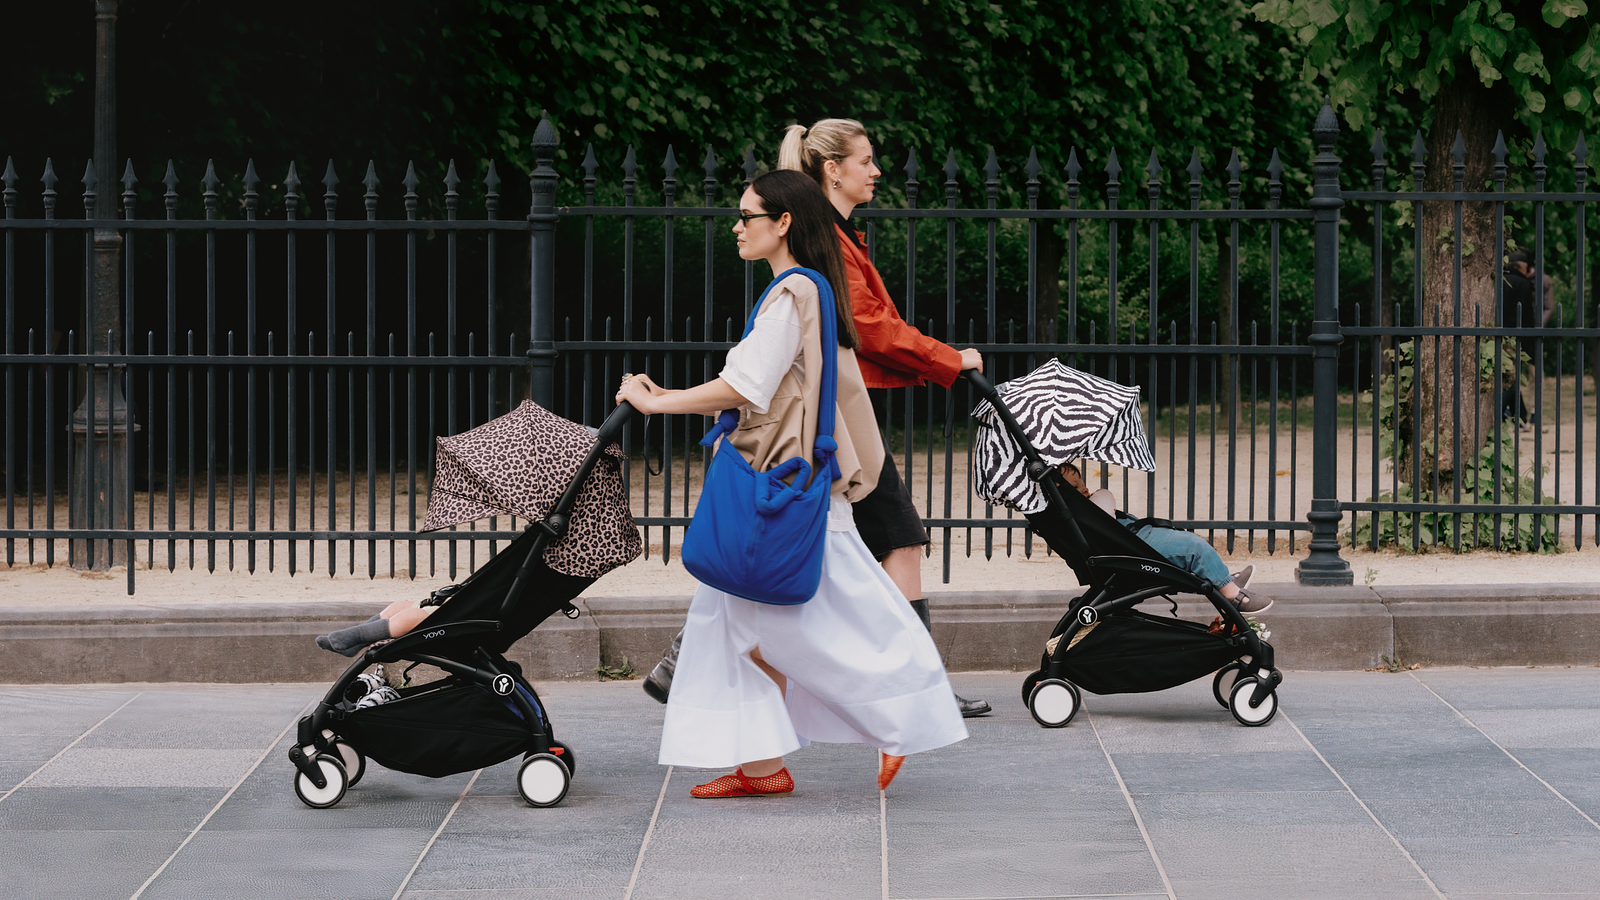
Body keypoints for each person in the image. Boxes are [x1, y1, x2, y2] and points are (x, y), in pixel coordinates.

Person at [617, 169, 967, 797]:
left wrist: (658, 402)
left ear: (782, 223)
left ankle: (898, 720)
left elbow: (743, 386)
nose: (737, 227)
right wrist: (666, 394)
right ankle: (763, 767)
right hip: (791, 483)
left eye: (747, 216)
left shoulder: (791, 295)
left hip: (779, 488)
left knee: (806, 622)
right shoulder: (808, 289)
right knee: (741, 628)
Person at [1060, 463, 1272, 613]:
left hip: (1137, 539)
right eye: (1076, 487)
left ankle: (1222, 579)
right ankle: (1232, 594)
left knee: (1184, 541)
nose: (1085, 488)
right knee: (1193, 549)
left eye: (1082, 483)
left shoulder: (1082, 511)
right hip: (1134, 549)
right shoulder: (1079, 513)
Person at [1500, 251, 1539, 428]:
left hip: (1496, 333)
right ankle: (1513, 415)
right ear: (1523, 268)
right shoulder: (1523, 284)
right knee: (1511, 378)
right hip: (1515, 335)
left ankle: (1520, 417)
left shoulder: (1499, 280)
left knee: (1507, 377)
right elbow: (1526, 315)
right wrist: (1530, 340)